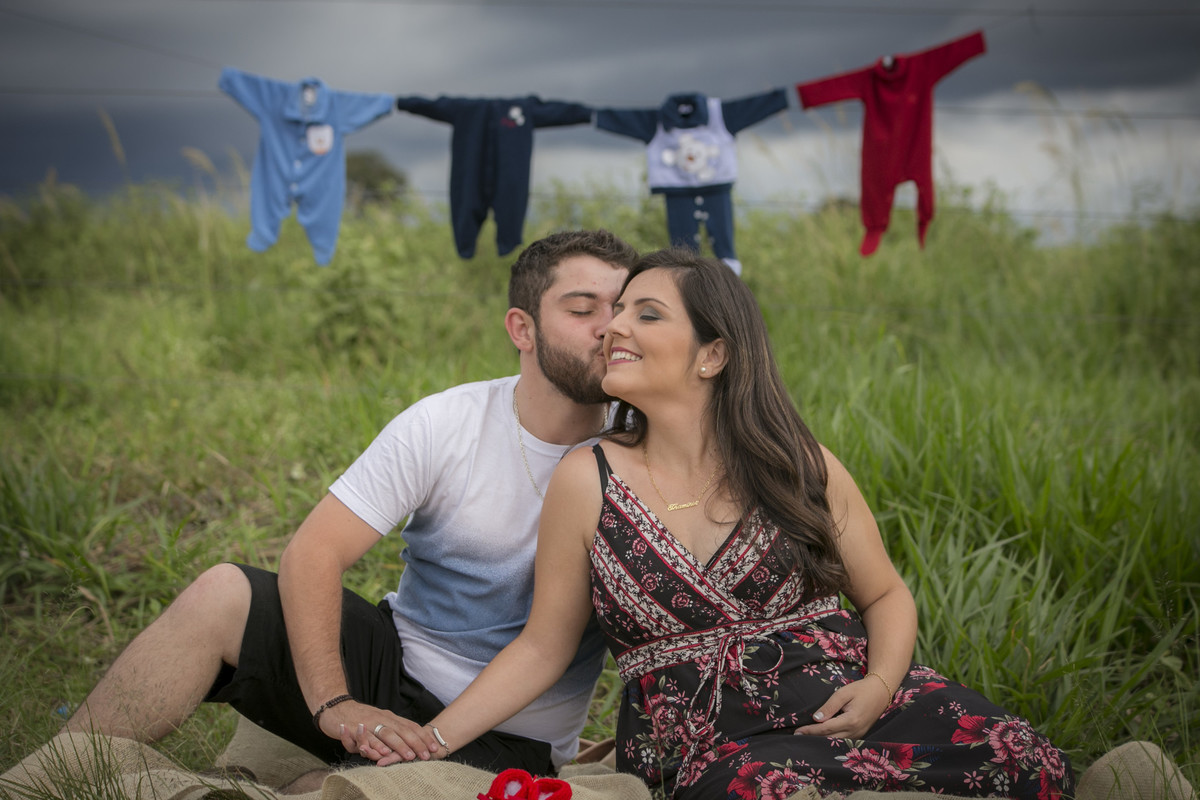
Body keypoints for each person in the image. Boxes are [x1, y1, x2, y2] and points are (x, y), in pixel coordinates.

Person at [384, 248, 1075, 800]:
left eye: (646, 314)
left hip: (849, 701)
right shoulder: (586, 479)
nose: (615, 327)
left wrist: (880, 687)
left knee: (1030, 763)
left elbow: (886, 594)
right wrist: (432, 742)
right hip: (714, 745)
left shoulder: (796, 462)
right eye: (616, 312)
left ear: (711, 354)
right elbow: (542, 648)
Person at [61, 229, 638, 776]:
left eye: (623, 308)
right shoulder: (447, 423)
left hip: (512, 736)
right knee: (222, 594)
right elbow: (315, 551)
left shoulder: (646, 451)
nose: (609, 328)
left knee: (332, 791)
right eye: (582, 310)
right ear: (522, 329)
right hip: (393, 668)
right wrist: (334, 702)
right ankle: (59, 773)